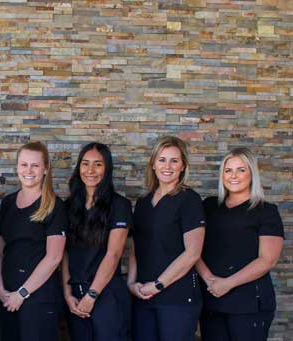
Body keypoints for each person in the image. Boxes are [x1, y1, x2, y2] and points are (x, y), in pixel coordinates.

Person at [196, 147, 284, 341]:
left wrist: (227, 283)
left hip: (249, 303)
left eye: (241, 170)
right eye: (228, 170)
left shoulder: (266, 212)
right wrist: (209, 278)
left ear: (252, 174)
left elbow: (267, 260)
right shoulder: (209, 206)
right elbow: (193, 249)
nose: (233, 176)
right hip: (212, 299)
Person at [129, 136, 205, 341]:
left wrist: (158, 285)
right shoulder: (143, 202)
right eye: (162, 160)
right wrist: (131, 283)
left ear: (183, 166)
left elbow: (192, 253)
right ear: (153, 164)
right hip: (143, 295)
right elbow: (136, 247)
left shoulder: (189, 200)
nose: (167, 166)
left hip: (176, 298)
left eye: (174, 160)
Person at [0, 141, 67, 341]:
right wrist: (0, 288)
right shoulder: (7, 203)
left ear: (45, 169)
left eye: (35, 165)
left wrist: (22, 293)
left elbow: (54, 257)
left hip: (39, 297)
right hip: (8, 294)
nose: (29, 170)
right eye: (24, 164)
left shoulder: (54, 206)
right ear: (17, 167)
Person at [62, 143, 131, 341]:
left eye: (98, 164)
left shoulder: (119, 205)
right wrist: (68, 294)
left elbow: (114, 254)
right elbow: (64, 253)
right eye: (85, 164)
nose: (90, 170)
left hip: (106, 294)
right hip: (76, 295)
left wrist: (91, 296)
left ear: (107, 168)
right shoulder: (68, 206)